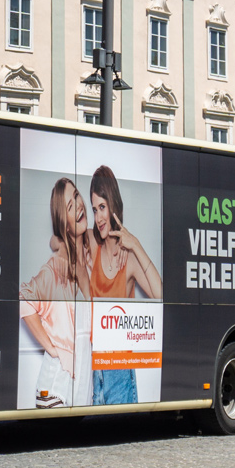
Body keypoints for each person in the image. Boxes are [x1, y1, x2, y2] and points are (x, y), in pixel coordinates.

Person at [81, 166, 160, 406]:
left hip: (119, 370)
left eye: (102, 207)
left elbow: (161, 294)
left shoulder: (131, 258)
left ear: (113, 204)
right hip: (94, 366)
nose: (99, 217)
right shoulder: (92, 244)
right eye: (94, 210)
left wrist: (135, 244)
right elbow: (56, 239)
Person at [21, 178, 92, 408]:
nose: (79, 205)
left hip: (79, 386)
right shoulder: (56, 268)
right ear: (65, 223)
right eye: (70, 207)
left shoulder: (85, 259)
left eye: (77, 196)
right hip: (56, 390)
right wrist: (52, 349)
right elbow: (25, 300)